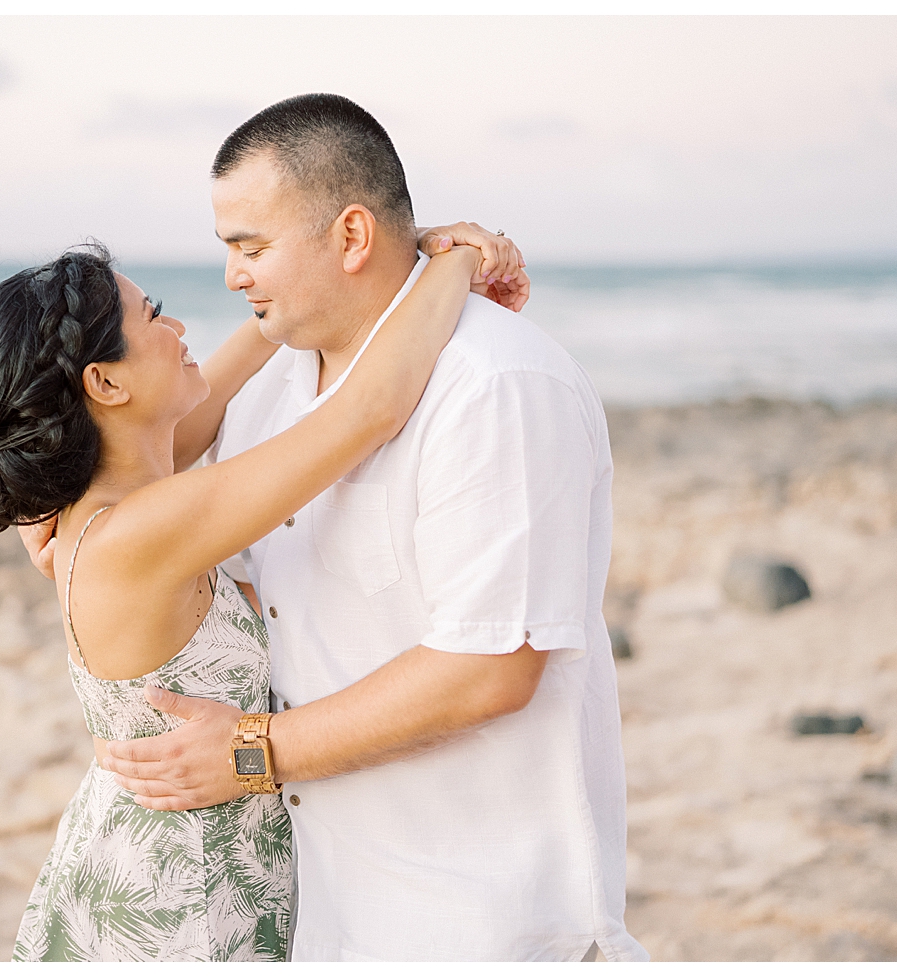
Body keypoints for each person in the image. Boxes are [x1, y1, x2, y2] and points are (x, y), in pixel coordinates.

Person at [48, 93, 650, 962]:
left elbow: (492, 667)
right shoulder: (261, 401)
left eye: (249, 246)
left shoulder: (495, 386)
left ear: (353, 237)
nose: (230, 277)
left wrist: (254, 751)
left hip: (478, 917)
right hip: (317, 909)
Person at [0, 225, 514, 960]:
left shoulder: (123, 491)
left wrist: (362, 265)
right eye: (151, 313)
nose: (179, 325)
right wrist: (460, 257)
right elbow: (370, 408)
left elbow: (220, 382)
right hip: (185, 903)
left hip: (155, 864)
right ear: (106, 383)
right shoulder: (141, 531)